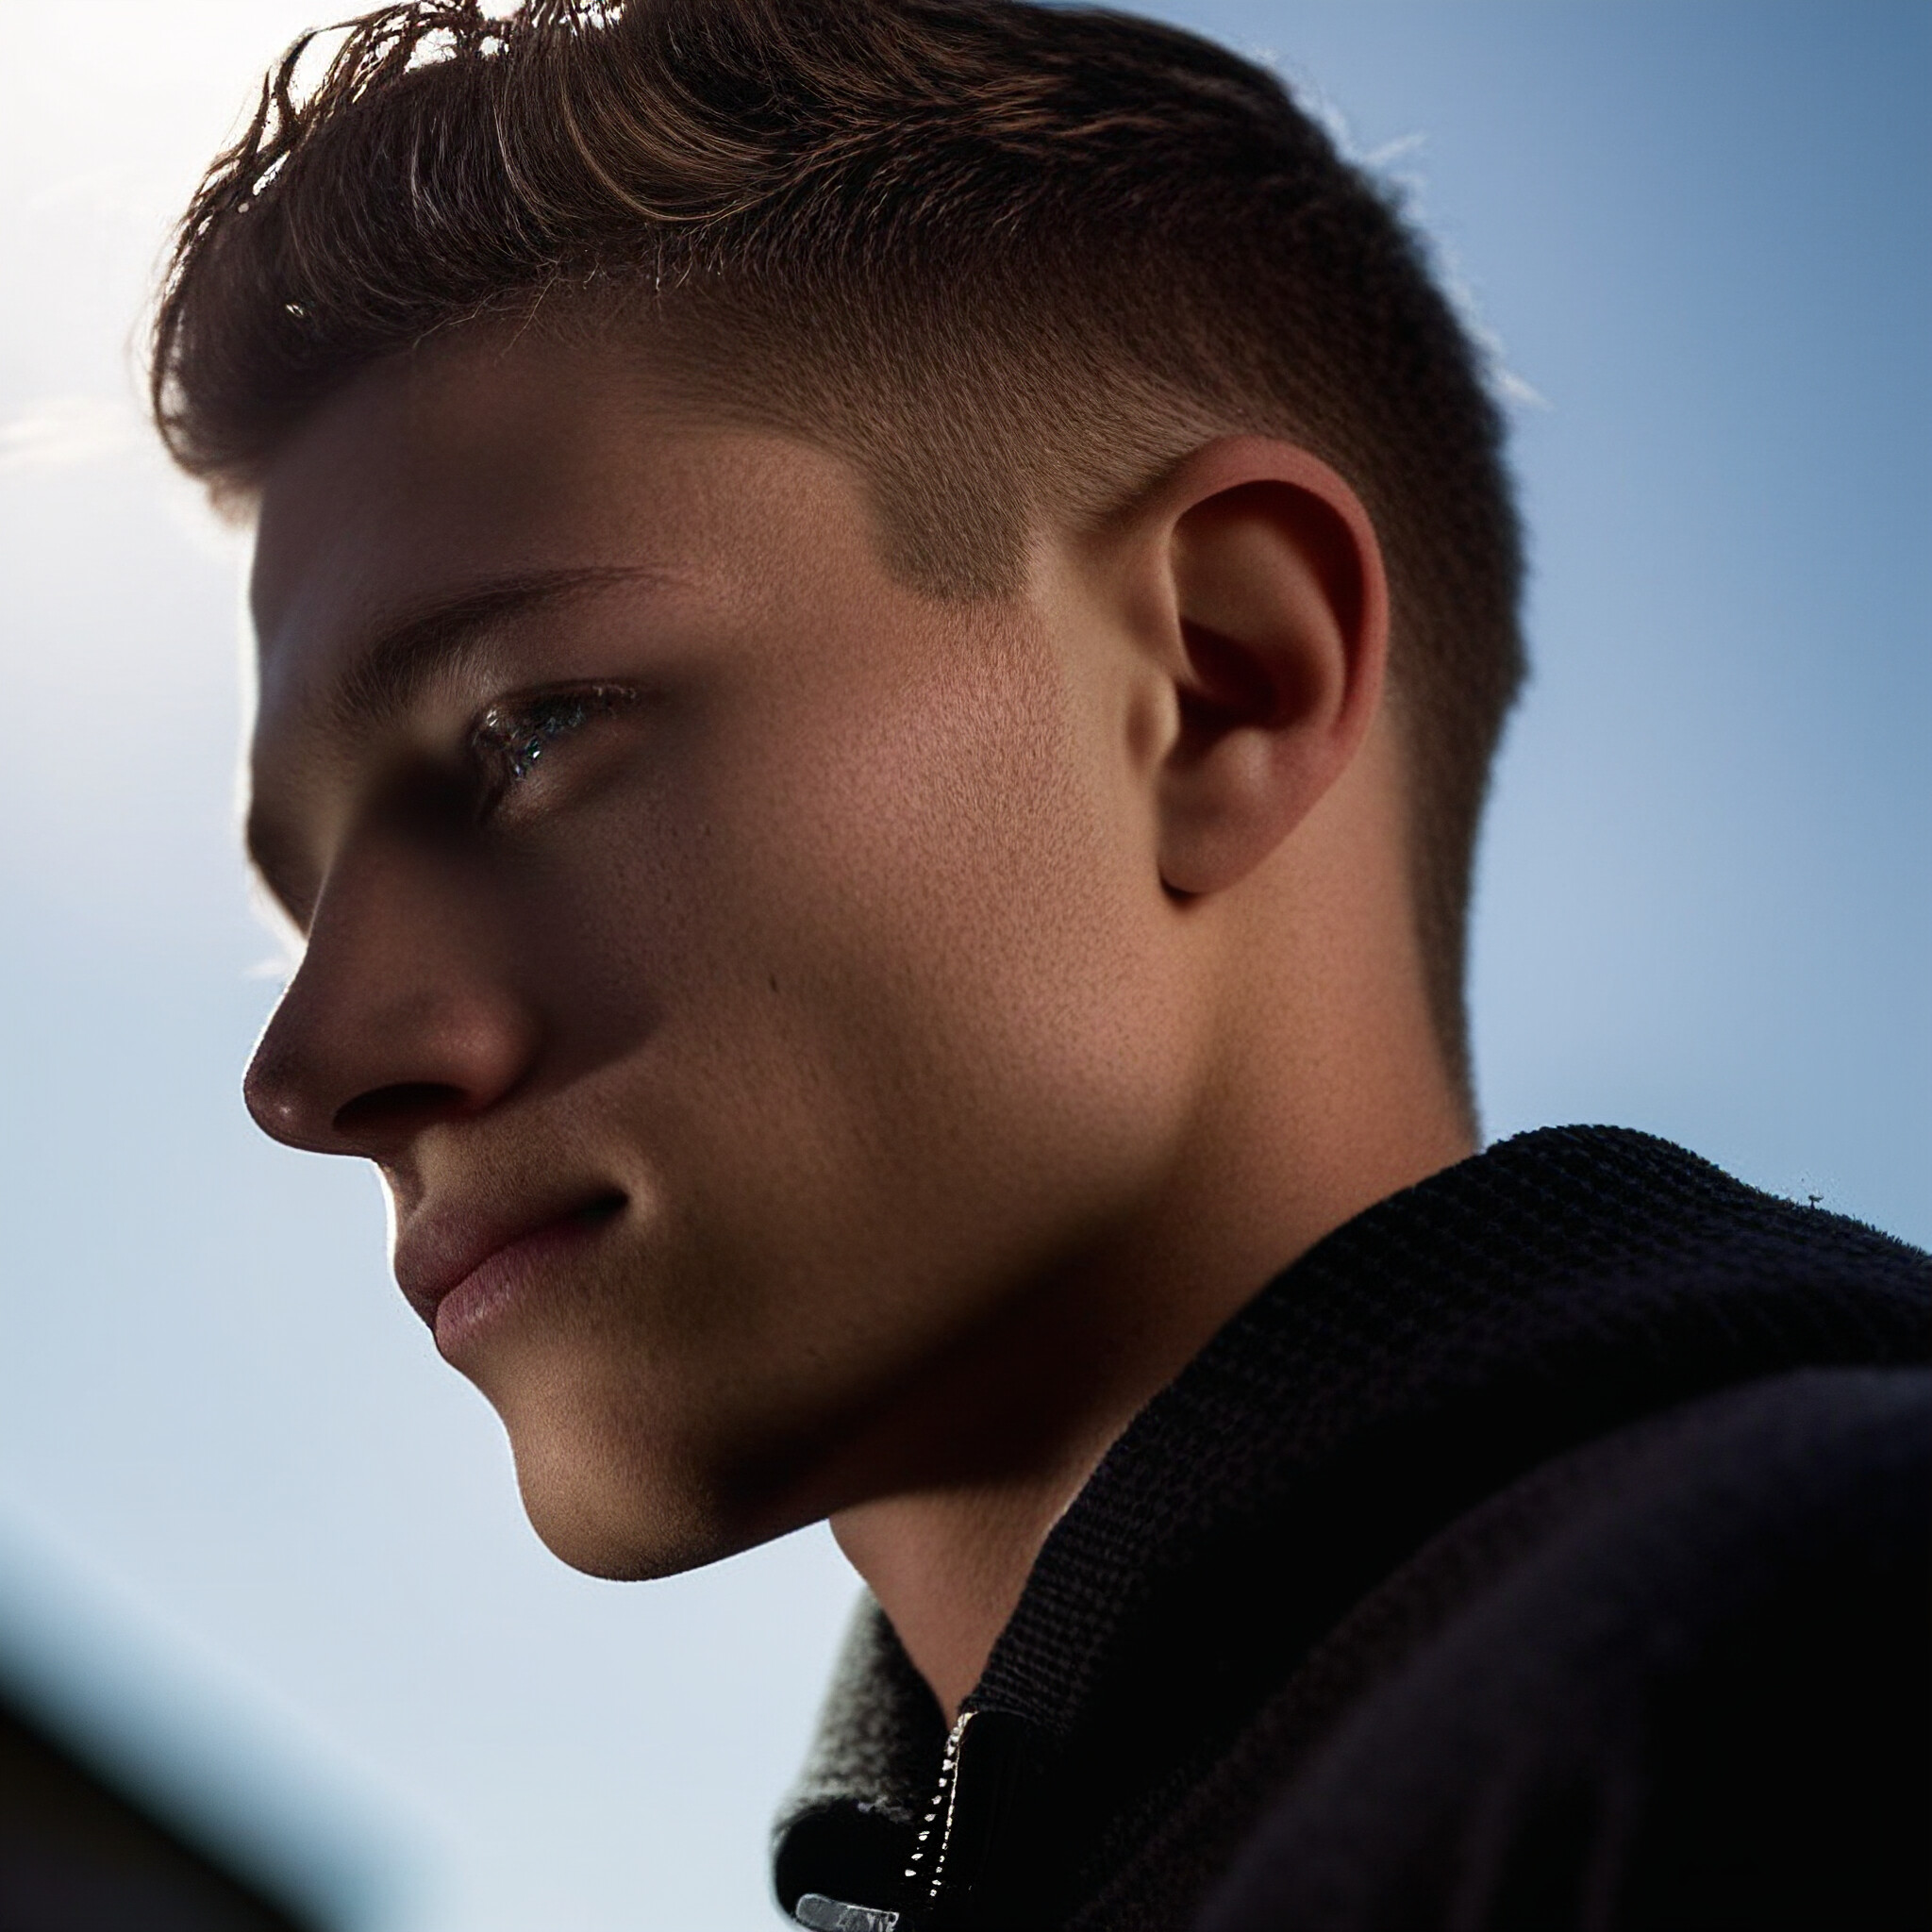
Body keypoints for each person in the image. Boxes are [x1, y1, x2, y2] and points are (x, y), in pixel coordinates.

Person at [149, 2, 1930, 1926]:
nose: (315, 1067)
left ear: (1213, 682)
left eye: (532, 732)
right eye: (301, 897)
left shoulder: (1811, 1676)